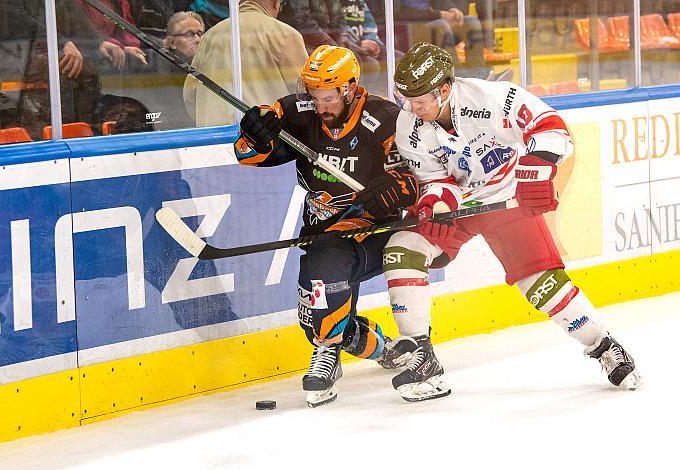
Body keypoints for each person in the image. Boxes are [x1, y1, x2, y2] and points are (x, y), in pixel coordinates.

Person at [381, 42, 640, 402]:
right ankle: (422, 357)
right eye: (406, 98)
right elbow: (434, 179)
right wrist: (437, 203)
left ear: (444, 89)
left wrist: (535, 172)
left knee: (543, 286)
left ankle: (603, 345)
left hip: (506, 201)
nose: (412, 107)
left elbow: (551, 127)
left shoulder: (490, 99)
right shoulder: (410, 123)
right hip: (461, 207)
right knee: (401, 249)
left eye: (420, 99)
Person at [233, 45, 419, 406]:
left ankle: (343, 346)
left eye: (329, 97)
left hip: (378, 233)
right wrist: (255, 134)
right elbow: (246, 155)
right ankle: (362, 349)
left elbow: (415, 181)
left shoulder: (385, 118)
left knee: (325, 297)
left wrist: (395, 191)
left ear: (349, 87)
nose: (321, 106)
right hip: (327, 233)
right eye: (313, 96)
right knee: (318, 309)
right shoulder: (297, 113)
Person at [184, 0, 307, 127]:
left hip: (215, 137)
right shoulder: (285, 35)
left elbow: (191, 95)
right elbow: (304, 95)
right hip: (267, 139)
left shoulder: (209, 37)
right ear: (276, 3)